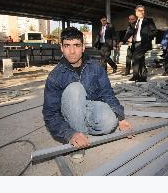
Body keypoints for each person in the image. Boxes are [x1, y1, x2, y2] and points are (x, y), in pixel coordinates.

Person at [42, 27, 134, 161]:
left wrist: (121, 118)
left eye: (76, 45)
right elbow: (50, 114)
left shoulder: (96, 67)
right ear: (61, 48)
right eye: (67, 46)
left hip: (88, 108)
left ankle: (82, 129)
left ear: (83, 47)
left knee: (110, 121)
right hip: (68, 112)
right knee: (75, 89)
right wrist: (69, 134)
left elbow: (107, 93)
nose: (72, 51)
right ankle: (76, 142)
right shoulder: (55, 76)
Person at [120, 5, 156, 82]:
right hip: (135, 43)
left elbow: (154, 31)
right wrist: (123, 41)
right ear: (136, 12)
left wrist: (147, 38)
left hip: (143, 43)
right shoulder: (135, 22)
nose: (142, 12)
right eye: (140, 10)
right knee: (141, 60)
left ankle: (136, 75)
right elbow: (129, 33)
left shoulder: (149, 20)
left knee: (135, 58)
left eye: (143, 10)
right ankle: (143, 76)